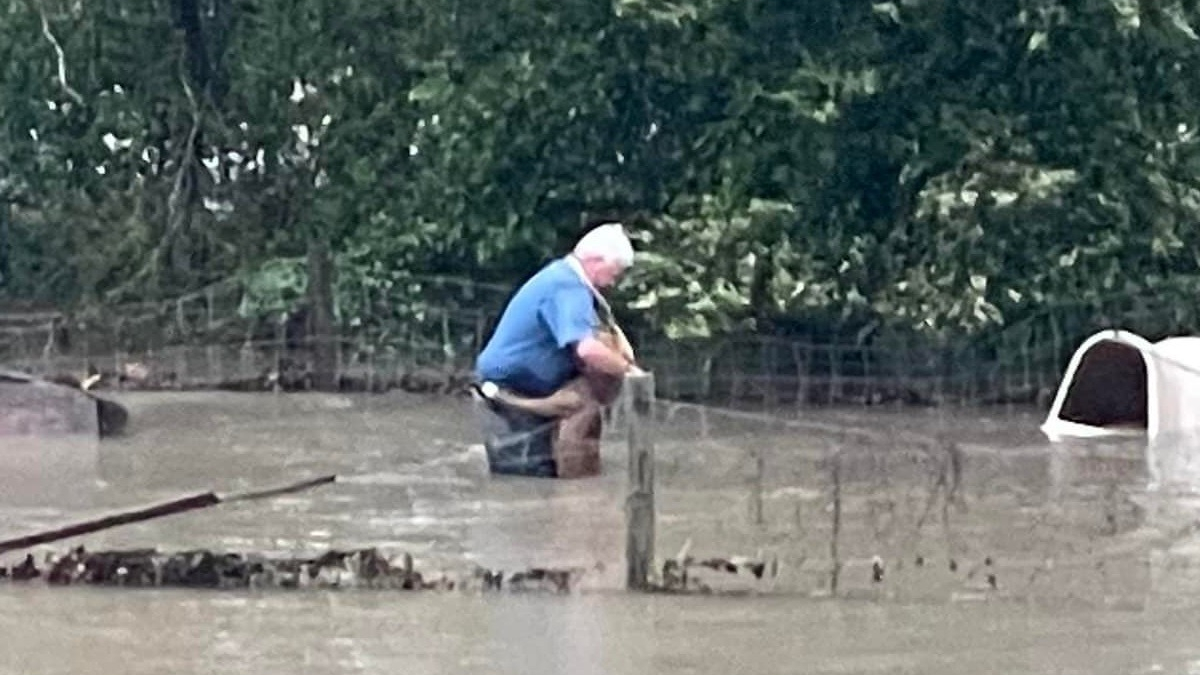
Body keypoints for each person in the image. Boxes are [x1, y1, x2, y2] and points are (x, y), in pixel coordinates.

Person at [472, 222, 642, 478]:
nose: (614, 281)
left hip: (521, 389)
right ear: (595, 260)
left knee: (534, 481)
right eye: (614, 272)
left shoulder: (562, 278)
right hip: (511, 395)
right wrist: (631, 372)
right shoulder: (568, 286)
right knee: (526, 486)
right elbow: (588, 350)